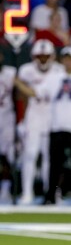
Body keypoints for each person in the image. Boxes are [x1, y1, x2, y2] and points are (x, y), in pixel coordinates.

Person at [14, 47, 71, 206]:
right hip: (56, 126)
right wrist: (19, 84)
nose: (68, 62)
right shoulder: (54, 78)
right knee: (54, 165)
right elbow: (36, 93)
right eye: (65, 58)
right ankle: (50, 196)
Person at [17, 40, 64, 205]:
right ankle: (27, 192)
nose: (43, 60)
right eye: (40, 56)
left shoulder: (59, 71)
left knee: (49, 158)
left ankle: (50, 192)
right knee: (29, 155)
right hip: (33, 116)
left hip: (52, 116)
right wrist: (21, 120)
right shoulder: (27, 70)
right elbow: (21, 98)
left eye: (46, 56)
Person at [0, 54, 16, 203]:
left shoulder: (10, 72)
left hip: (6, 117)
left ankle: (5, 188)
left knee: (7, 155)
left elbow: (19, 95)